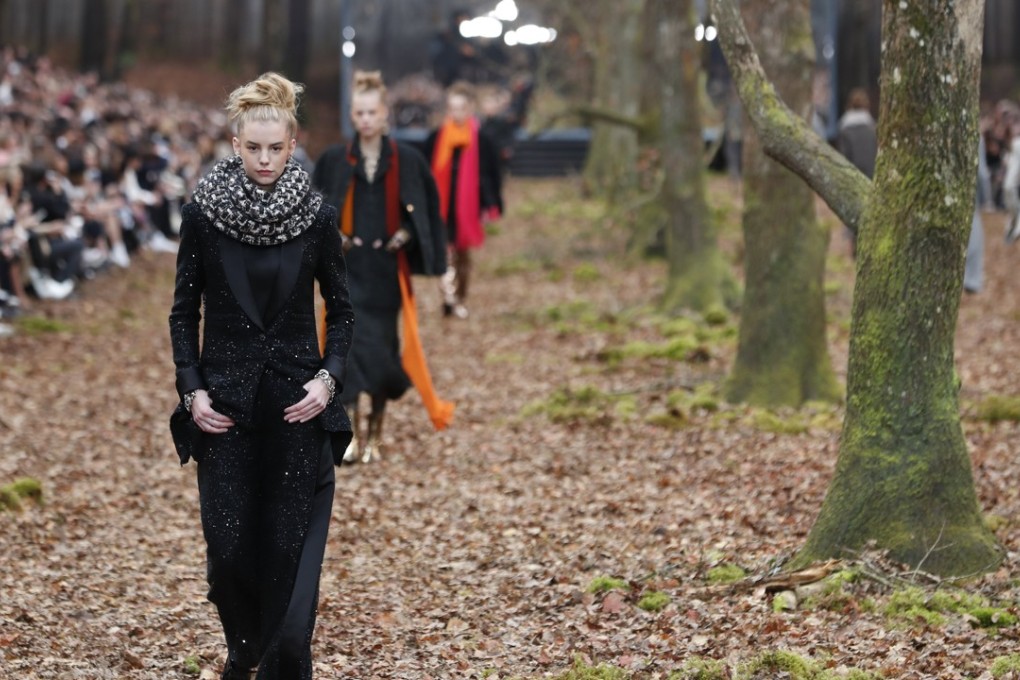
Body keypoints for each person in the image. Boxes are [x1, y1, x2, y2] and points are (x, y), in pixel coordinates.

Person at [168, 72, 354, 680]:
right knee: (227, 561)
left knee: (287, 557)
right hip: (225, 414)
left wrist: (328, 379)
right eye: (254, 148)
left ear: (294, 143)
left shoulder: (318, 216)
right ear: (235, 142)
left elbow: (343, 311)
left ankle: (278, 658)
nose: (266, 159)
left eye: (277, 148)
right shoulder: (202, 216)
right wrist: (191, 389)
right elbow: (182, 312)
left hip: (297, 413)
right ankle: (242, 651)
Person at [313, 70, 452, 463]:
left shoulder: (407, 161)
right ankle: (352, 433)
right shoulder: (335, 159)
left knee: (383, 350)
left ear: (385, 113)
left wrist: (406, 234)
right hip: (348, 271)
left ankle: (376, 433)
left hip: (387, 272)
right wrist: (333, 233)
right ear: (352, 114)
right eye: (359, 112)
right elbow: (315, 207)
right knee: (348, 349)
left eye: (372, 112)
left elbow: (424, 209)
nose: (366, 119)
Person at [425, 81, 504, 319]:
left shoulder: (482, 140)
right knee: (444, 253)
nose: (456, 113)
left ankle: (459, 297)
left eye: (461, 107)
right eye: (452, 108)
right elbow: (426, 171)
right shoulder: (437, 138)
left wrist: (491, 205)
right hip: (442, 204)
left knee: (463, 256)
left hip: (467, 207)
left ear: (470, 108)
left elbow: (492, 174)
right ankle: (448, 298)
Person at [837, 87, 878, 256]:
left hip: (853, 173)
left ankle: (855, 246)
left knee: (855, 211)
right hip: (871, 174)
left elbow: (844, 156)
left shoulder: (845, 129)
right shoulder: (872, 129)